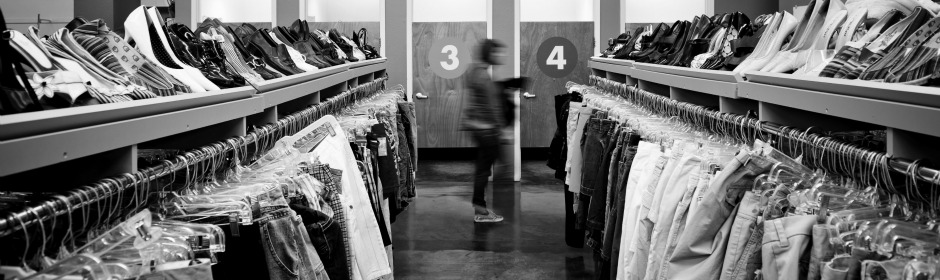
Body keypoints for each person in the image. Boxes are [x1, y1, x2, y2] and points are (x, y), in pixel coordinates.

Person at [461, 39, 526, 223]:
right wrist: (504, 130)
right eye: (497, 53)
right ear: (489, 54)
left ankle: (480, 207)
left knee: (483, 169)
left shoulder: (474, 71)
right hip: (487, 130)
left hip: (477, 127)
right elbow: (494, 107)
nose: (500, 56)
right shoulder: (483, 76)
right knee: (491, 169)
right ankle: (481, 211)